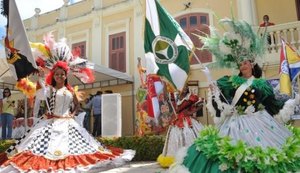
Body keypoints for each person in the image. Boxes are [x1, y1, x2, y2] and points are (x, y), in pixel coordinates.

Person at [170, 18, 300, 173]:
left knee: (265, 154)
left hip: (260, 122)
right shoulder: (231, 81)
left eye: (245, 62)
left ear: (252, 64)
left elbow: (272, 103)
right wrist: (211, 83)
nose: (242, 65)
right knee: (226, 152)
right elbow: (217, 93)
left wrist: (291, 101)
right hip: (236, 122)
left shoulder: (262, 84)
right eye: (240, 63)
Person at [0, 36, 135, 172]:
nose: (59, 76)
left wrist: (73, 113)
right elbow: (40, 94)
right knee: (41, 145)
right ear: (53, 75)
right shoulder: (50, 89)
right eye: (57, 74)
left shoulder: (70, 90)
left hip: (68, 122)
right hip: (51, 121)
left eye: (62, 74)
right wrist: (40, 77)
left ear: (66, 75)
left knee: (83, 146)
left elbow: (76, 104)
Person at [157, 85, 204, 168]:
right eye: (183, 87)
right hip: (177, 120)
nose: (184, 88)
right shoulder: (175, 97)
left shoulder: (190, 97)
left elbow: (201, 102)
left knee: (190, 135)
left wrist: (191, 112)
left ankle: (192, 159)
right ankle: (177, 159)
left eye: (186, 87)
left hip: (188, 121)